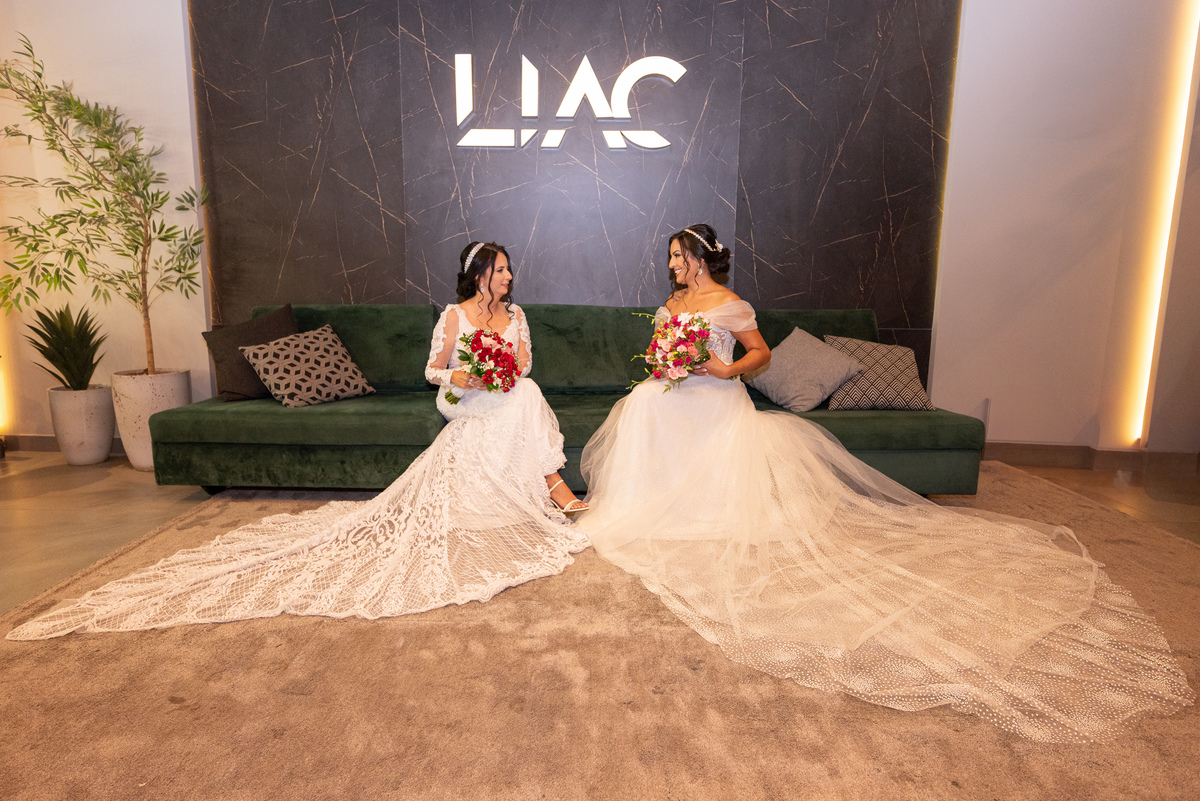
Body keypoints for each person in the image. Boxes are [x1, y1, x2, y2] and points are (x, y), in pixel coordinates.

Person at [574, 223, 1193, 742]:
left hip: (715, 395)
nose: (672, 267)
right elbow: (660, 351)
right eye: (670, 259)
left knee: (688, 422)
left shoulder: (730, 304)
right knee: (642, 403)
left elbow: (760, 355)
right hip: (674, 391)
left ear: (701, 259)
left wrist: (723, 368)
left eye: (678, 257)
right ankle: (652, 496)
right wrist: (665, 363)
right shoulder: (671, 307)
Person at [7, 241, 588, 640]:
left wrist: (501, 370)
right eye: (501, 270)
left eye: (509, 271)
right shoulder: (453, 317)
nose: (509, 277)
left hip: (500, 390)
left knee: (525, 389)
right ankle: (554, 485)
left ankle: (546, 483)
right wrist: (466, 375)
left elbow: (523, 363)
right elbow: (434, 372)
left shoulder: (516, 316)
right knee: (523, 397)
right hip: (462, 394)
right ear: (480, 273)